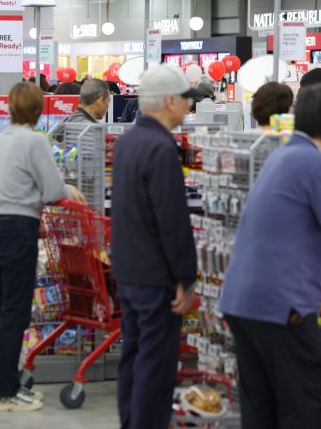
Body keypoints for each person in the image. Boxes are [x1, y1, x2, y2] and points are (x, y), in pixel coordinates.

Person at [218, 84, 321, 429]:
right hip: (281, 304)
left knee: (260, 406)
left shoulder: (281, 155)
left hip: (241, 300)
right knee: (303, 401)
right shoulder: (318, 164)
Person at [0, 81, 85, 412]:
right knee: (15, 313)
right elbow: (53, 190)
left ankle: (2, 386)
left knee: (2, 311)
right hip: (18, 229)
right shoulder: (35, 140)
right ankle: (4, 392)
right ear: (39, 109)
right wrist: (70, 190)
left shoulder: (2, 139)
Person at [111, 63, 198, 429]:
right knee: (156, 364)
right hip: (156, 276)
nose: (189, 106)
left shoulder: (128, 141)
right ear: (169, 101)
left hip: (129, 269)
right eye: (185, 99)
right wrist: (185, 278)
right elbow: (172, 220)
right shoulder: (161, 148)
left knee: (133, 354)